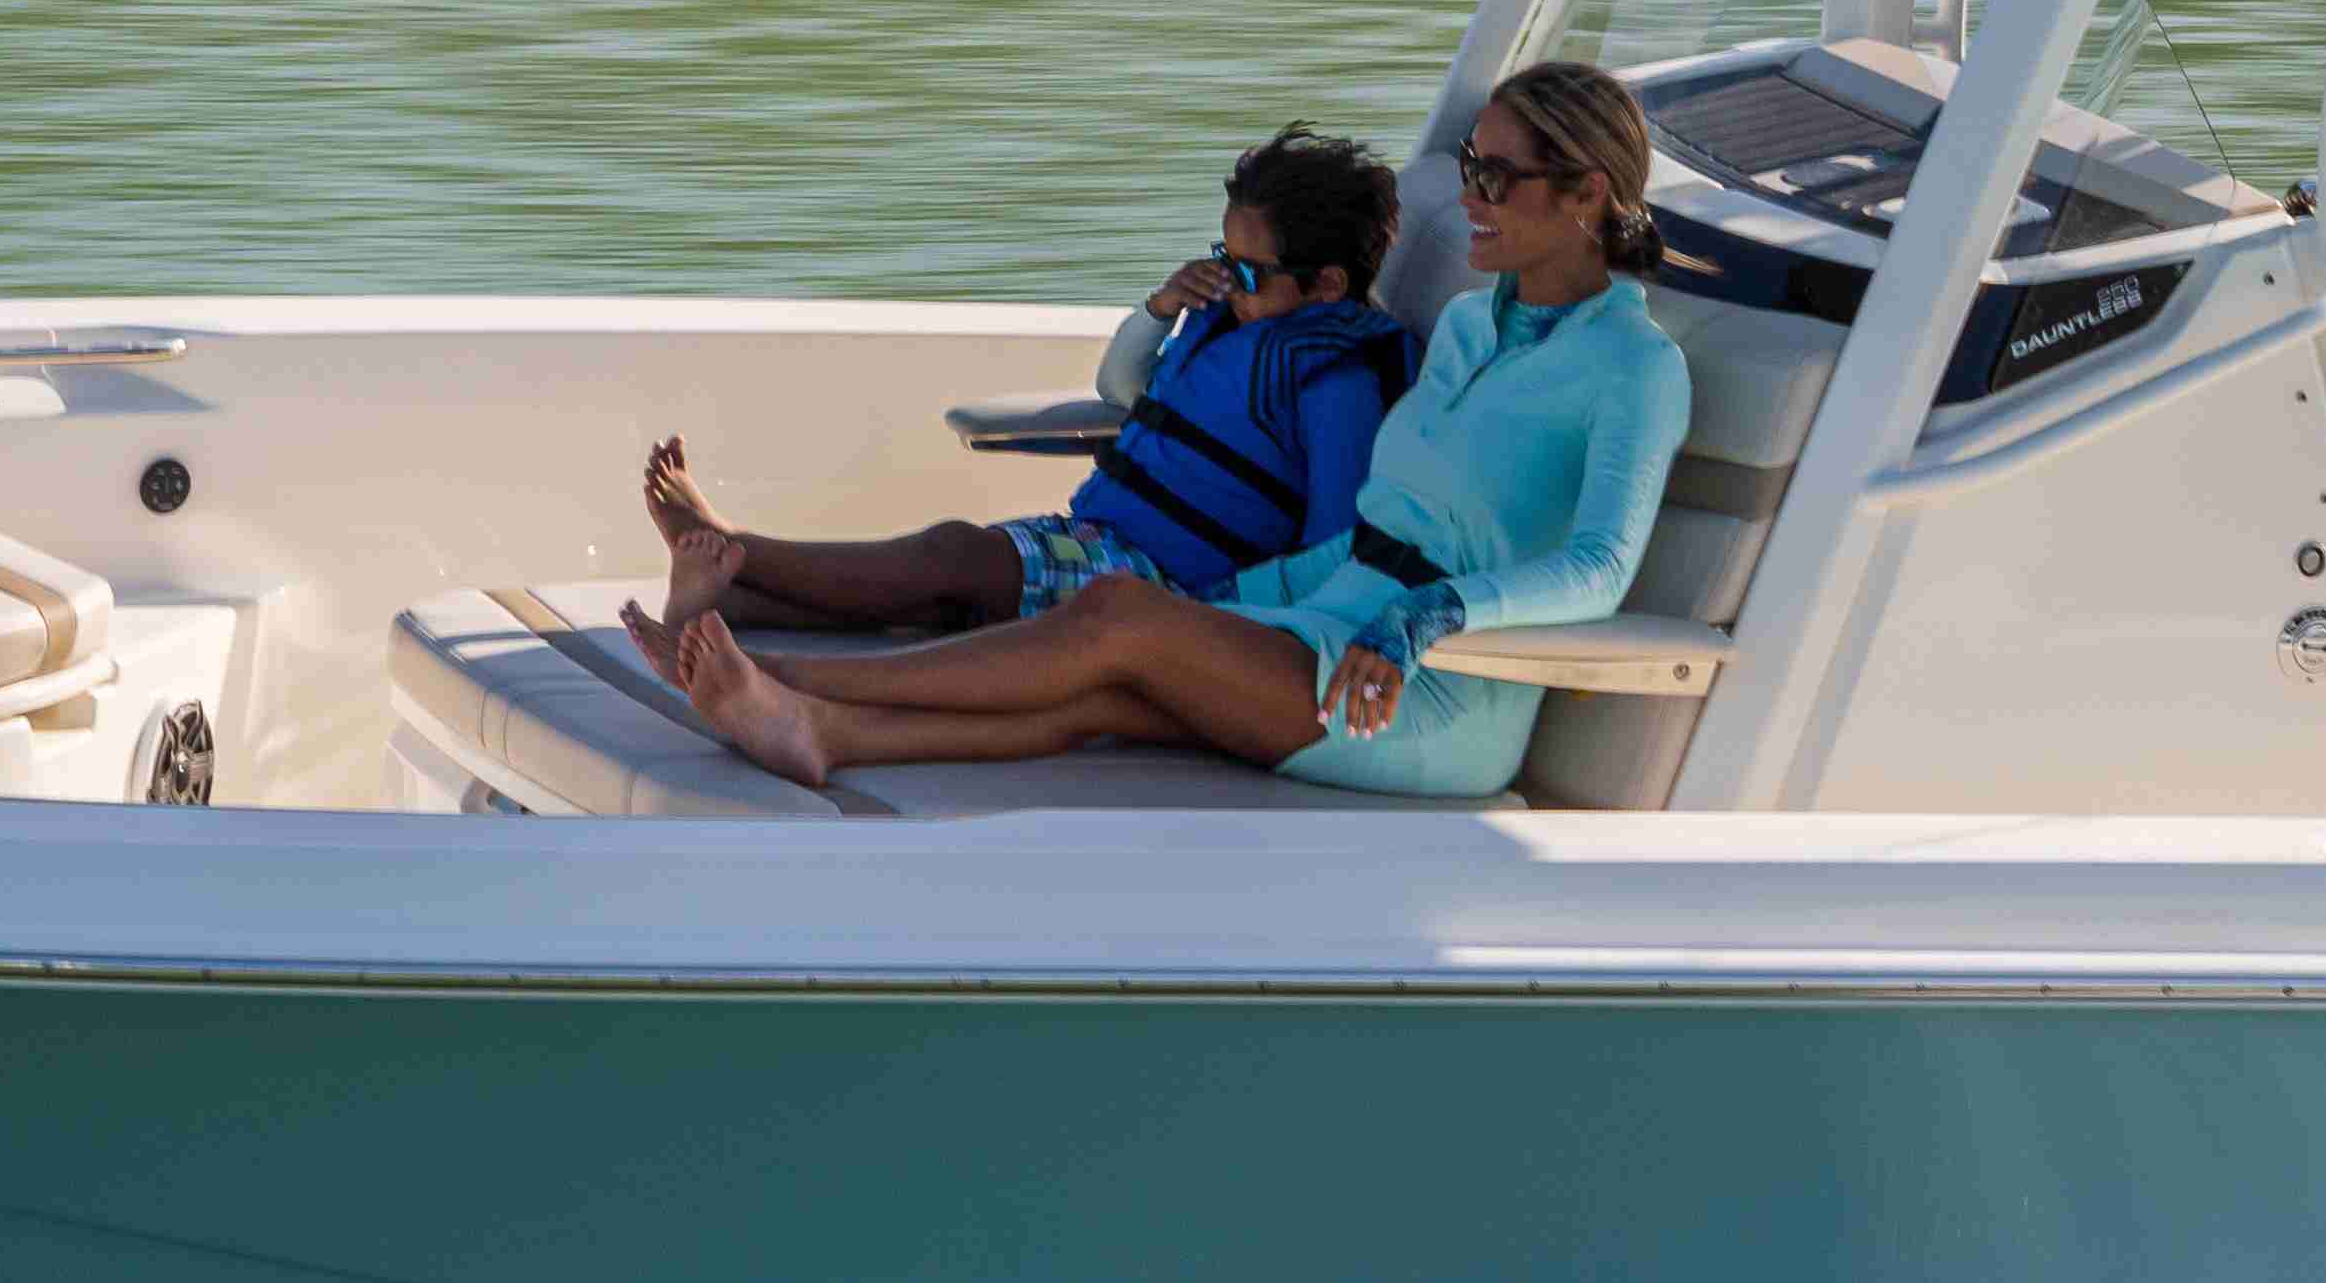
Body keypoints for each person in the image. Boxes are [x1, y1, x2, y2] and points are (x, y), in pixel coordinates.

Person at [628, 61, 1691, 805]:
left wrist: (1432, 613)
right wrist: (1242, 602)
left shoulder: (1633, 368)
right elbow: (1371, 534)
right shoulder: (1468, 327)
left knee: (1118, 623)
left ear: (1589, 193)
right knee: (1106, 682)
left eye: (1495, 179)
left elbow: (1598, 567)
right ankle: (818, 733)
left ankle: (780, 678)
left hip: (1430, 694)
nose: (1468, 200)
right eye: (1467, 168)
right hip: (1333, 626)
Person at [642, 128, 1411, 643]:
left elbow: (1336, 544)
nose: (1227, 279)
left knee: (953, 558)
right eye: (1222, 253)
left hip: (1165, 584)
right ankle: (718, 605)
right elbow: (1121, 390)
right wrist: (1161, 310)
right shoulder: (1234, 325)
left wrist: (1230, 625)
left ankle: (732, 550)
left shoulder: (1336, 383)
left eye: (1248, 271)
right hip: (1106, 545)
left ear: (1326, 285)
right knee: (943, 599)